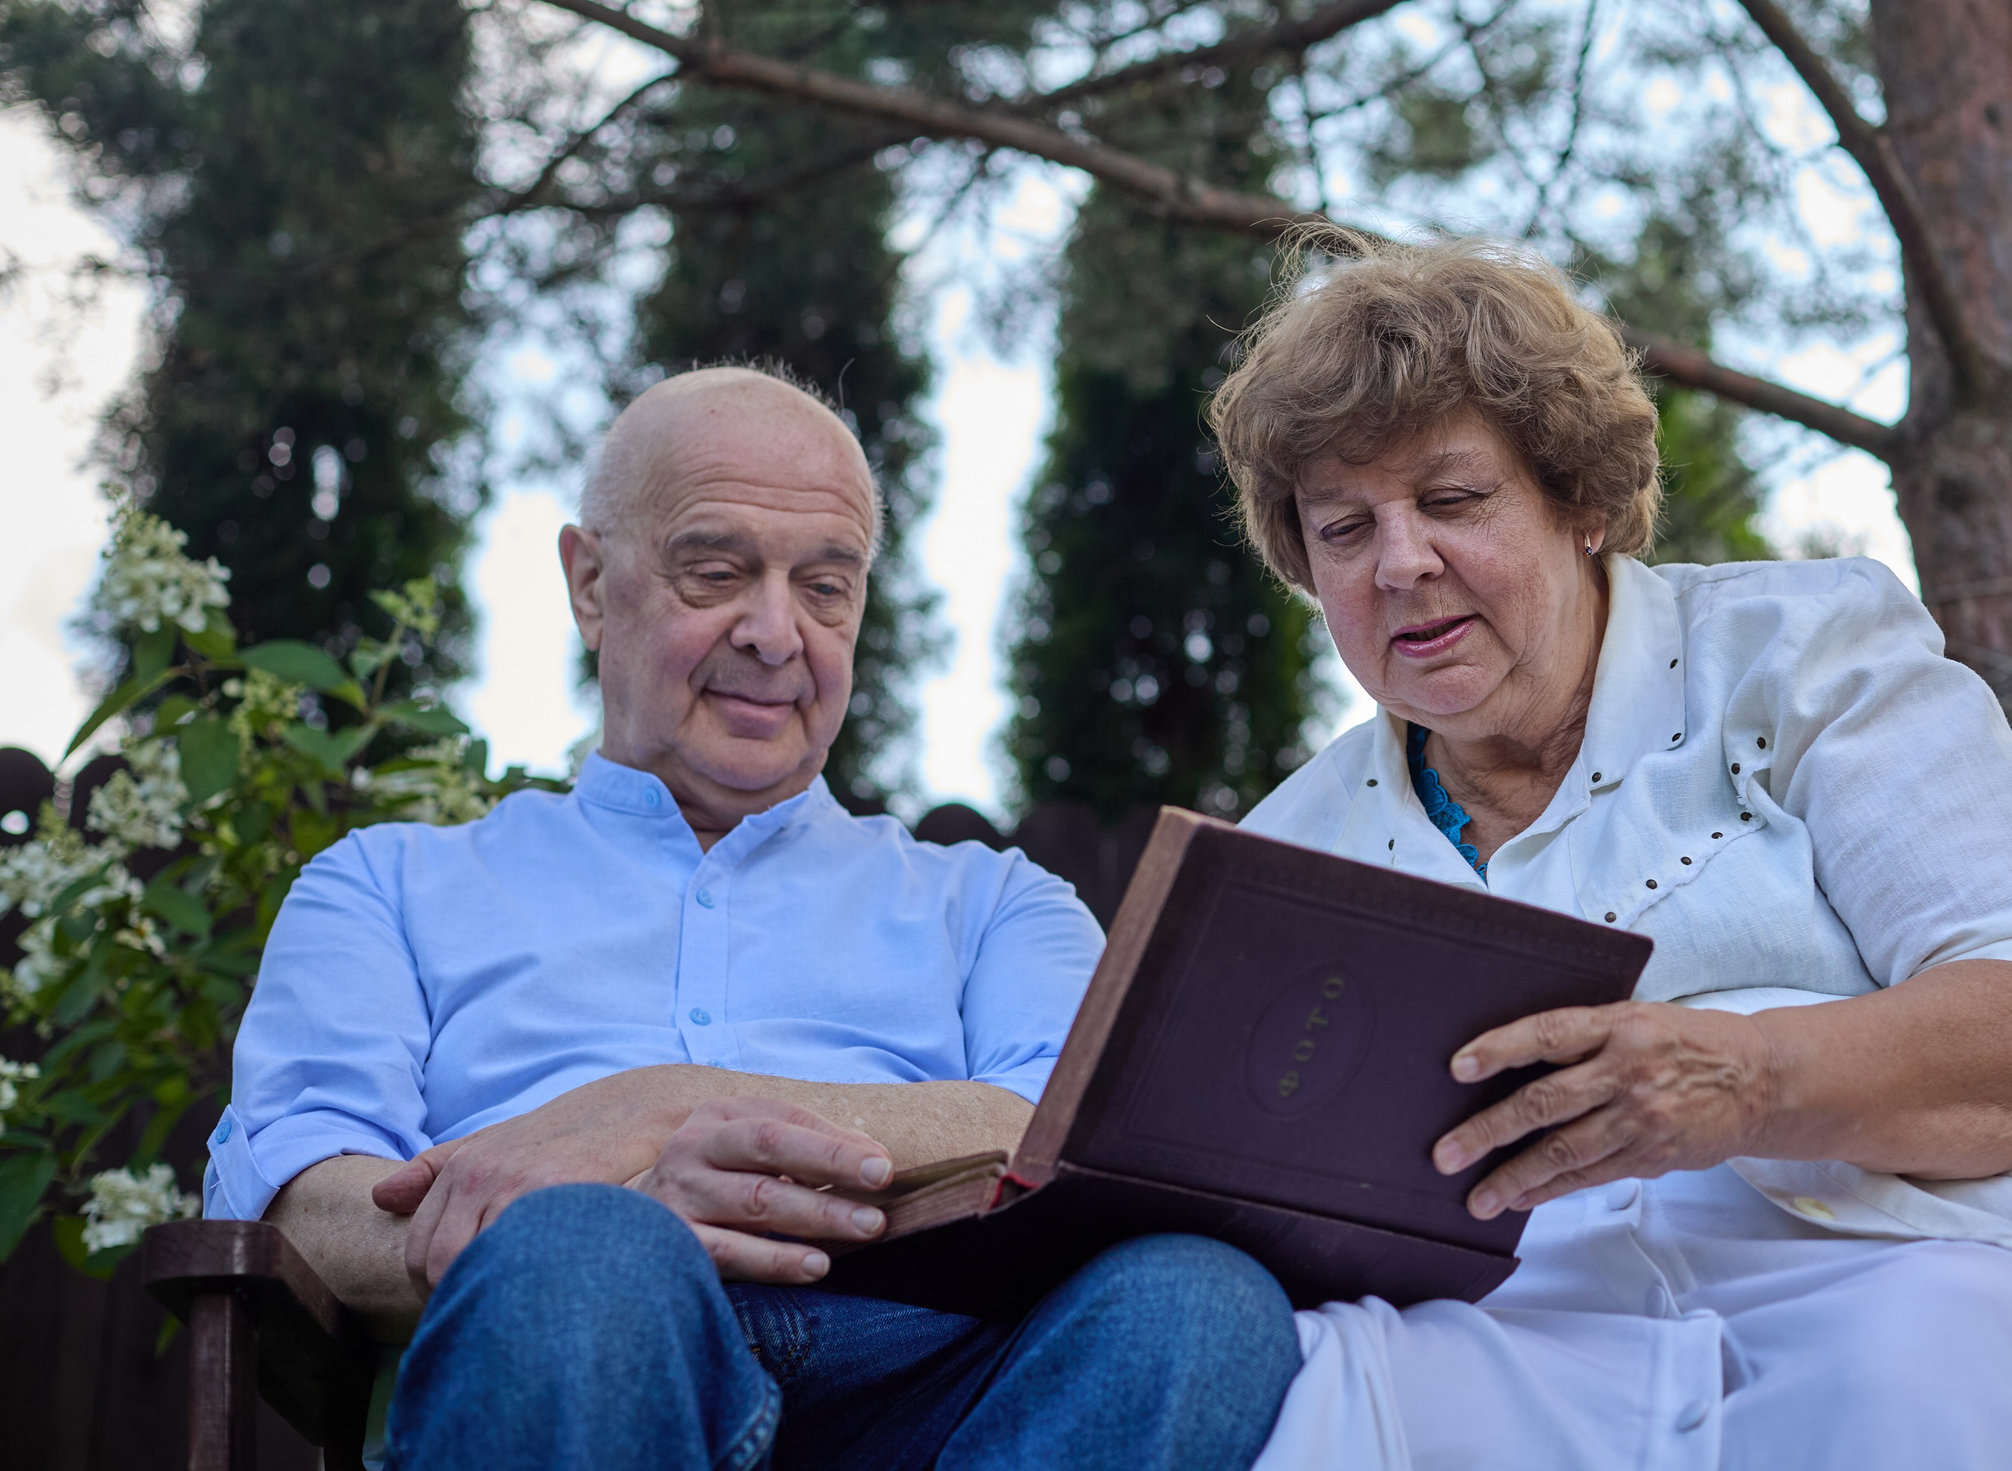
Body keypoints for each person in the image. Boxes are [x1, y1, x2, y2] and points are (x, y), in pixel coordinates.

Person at [1205, 238, 2012, 1471]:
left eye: (1452, 499)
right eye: (1342, 528)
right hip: (1507, 1340)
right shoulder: (1286, 848)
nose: (1400, 562)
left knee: (1943, 1362)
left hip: (1900, 1258)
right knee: (1308, 1407)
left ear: (1578, 501)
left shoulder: (1804, 655)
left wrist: (1744, 1077)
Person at [204, 367, 1301, 1471]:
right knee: (585, 1253)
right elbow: (305, 1207)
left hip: (941, 1388)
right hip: (572, 1361)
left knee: (1202, 1301)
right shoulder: (384, 886)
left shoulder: (995, 903)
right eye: (716, 571)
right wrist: (599, 1208)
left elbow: (1069, 1139)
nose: (776, 634)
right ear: (590, 583)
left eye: (826, 586)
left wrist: (659, 1109)